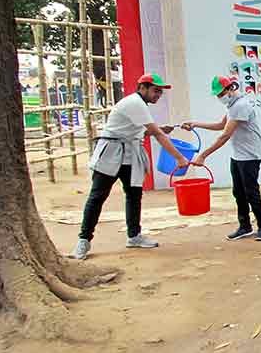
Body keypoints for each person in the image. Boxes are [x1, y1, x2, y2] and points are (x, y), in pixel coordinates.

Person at [72, 73, 188, 260]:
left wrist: (157, 130)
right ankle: (83, 240)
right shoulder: (135, 103)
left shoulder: (140, 105)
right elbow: (158, 134)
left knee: (134, 195)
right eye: (155, 90)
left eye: (160, 92)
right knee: (97, 196)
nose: (158, 95)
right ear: (142, 87)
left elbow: (145, 130)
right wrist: (179, 158)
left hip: (130, 154)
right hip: (111, 152)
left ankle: (134, 236)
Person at [184, 76, 261, 241]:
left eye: (221, 93)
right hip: (238, 155)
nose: (219, 97)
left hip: (250, 156)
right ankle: (245, 226)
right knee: (238, 192)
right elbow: (220, 125)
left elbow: (225, 135)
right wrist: (196, 124)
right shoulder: (232, 106)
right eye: (217, 95)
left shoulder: (241, 106)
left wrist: (203, 155)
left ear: (230, 89)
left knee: (251, 192)